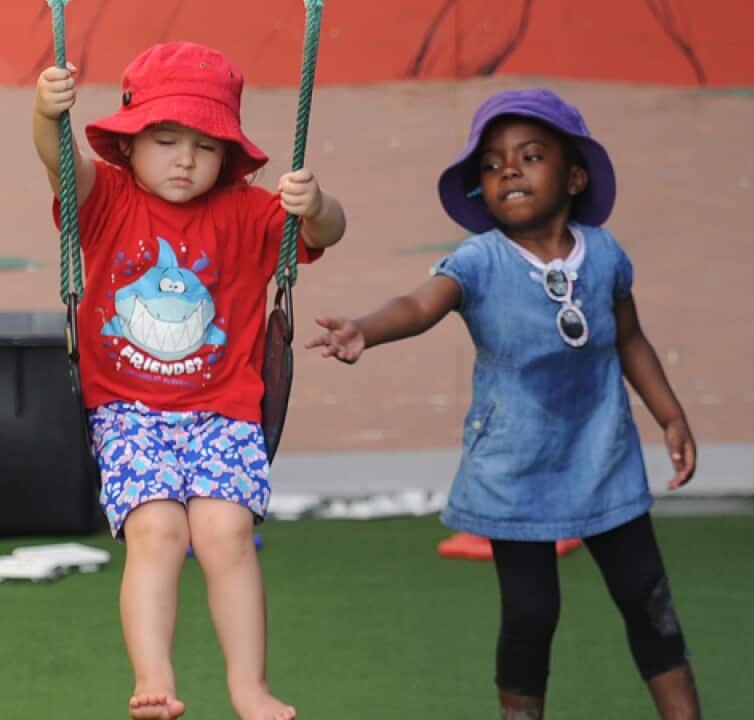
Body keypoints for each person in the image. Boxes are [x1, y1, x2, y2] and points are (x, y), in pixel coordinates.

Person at [306, 88, 701, 719]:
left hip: (604, 455)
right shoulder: (480, 260)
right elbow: (418, 304)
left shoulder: (604, 255)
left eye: (530, 155)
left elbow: (629, 337)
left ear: (574, 176)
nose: (508, 170)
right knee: (530, 615)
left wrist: (671, 415)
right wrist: (365, 329)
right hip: (515, 467)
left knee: (646, 599)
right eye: (491, 165)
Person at [33, 42, 347, 720]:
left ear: (228, 157)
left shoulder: (248, 213)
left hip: (224, 412)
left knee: (225, 534)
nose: (184, 159)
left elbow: (329, 230)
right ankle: (154, 679)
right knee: (158, 534)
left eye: (204, 146)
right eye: (166, 139)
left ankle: (248, 686)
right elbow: (61, 167)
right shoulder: (109, 201)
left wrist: (316, 203)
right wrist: (44, 113)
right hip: (127, 410)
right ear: (129, 146)